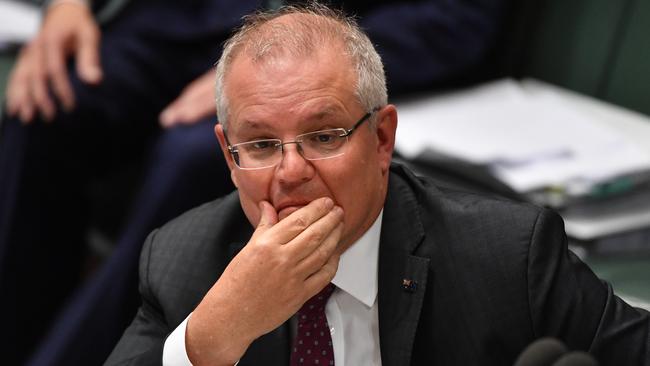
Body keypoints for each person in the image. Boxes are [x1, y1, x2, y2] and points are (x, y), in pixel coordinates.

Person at [106, 4, 650, 365]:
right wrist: (210, 338)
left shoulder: (507, 259)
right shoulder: (182, 261)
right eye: (262, 146)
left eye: (324, 136)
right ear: (229, 154)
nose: (291, 171)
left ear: (383, 138)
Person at [1, 0, 510, 364]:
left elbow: (457, 17)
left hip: (319, 61)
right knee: (43, 105)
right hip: (181, 21)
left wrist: (283, 74)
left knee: (192, 157)